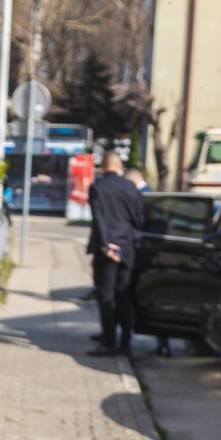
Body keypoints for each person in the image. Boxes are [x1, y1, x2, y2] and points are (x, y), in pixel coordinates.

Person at [86, 151, 146, 358]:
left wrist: (105, 245)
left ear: (103, 167)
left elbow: (99, 218)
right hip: (127, 248)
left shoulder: (98, 188)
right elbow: (139, 219)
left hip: (107, 251)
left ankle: (108, 342)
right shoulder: (130, 187)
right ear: (119, 165)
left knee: (106, 296)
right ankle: (126, 342)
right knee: (124, 295)